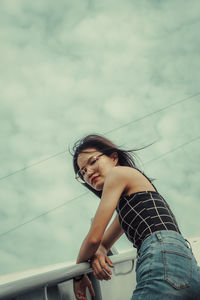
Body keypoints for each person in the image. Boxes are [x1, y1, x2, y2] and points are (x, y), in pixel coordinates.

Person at [71, 134, 200, 300]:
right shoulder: (131, 204)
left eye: (93, 161)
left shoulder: (117, 174)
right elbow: (102, 243)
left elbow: (94, 238)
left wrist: (78, 276)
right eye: (82, 172)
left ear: (113, 158)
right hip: (188, 265)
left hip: (162, 254)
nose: (88, 172)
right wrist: (99, 252)